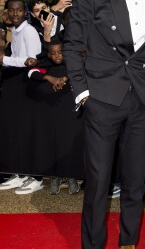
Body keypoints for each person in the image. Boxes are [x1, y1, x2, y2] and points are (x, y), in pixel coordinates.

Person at [62, 0, 145, 248]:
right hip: (102, 100)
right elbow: (72, 44)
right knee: (98, 183)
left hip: (142, 101)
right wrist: (83, 93)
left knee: (135, 182)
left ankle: (128, 243)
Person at [27, 39, 83, 195]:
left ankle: (71, 176)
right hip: (52, 110)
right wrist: (50, 78)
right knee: (53, 142)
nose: (57, 56)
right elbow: (32, 73)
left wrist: (65, 78)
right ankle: (55, 176)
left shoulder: (73, 62)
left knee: (68, 142)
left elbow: (79, 71)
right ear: (48, 54)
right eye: (53, 53)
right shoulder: (46, 65)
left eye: (60, 52)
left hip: (70, 109)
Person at [0, 0, 43, 194]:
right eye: (11, 10)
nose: (15, 14)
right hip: (17, 83)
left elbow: (32, 60)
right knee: (17, 130)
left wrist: (4, 58)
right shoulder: (15, 32)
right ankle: (21, 173)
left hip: (29, 84)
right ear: (7, 12)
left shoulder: (29, 31)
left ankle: (36, 177)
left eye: (18, 10)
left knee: (28, 131)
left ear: (25, 12)